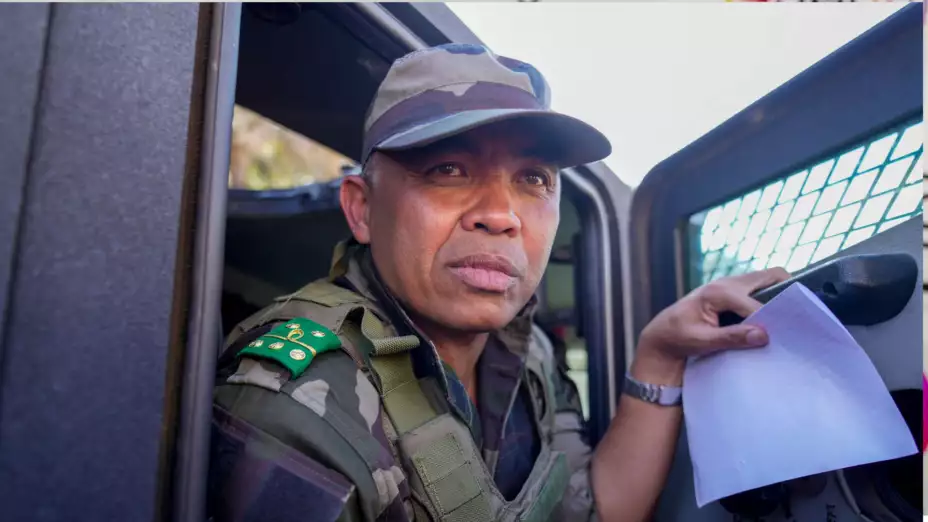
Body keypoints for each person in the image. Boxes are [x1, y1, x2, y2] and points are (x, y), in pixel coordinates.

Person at [208, 43, 790, 522]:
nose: (501, 213)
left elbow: (595, 511)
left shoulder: (527, 350)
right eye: (448, 169)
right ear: (362, 210)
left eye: (533, 178)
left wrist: (658, 357)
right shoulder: (299, 402)